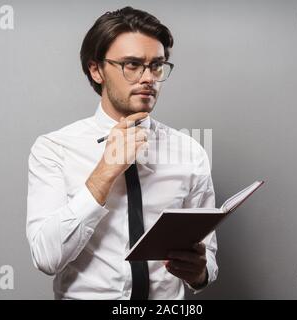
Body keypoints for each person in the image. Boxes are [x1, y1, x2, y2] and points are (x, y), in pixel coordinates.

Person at [26, 6, 218, 300]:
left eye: (157, 65)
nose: (148, 78)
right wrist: (106, 170)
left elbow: (208, 259)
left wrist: (200, 273)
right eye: (132, 65)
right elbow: (46, 257)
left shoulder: (190, 152)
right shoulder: (54, 149)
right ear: (96, 69)